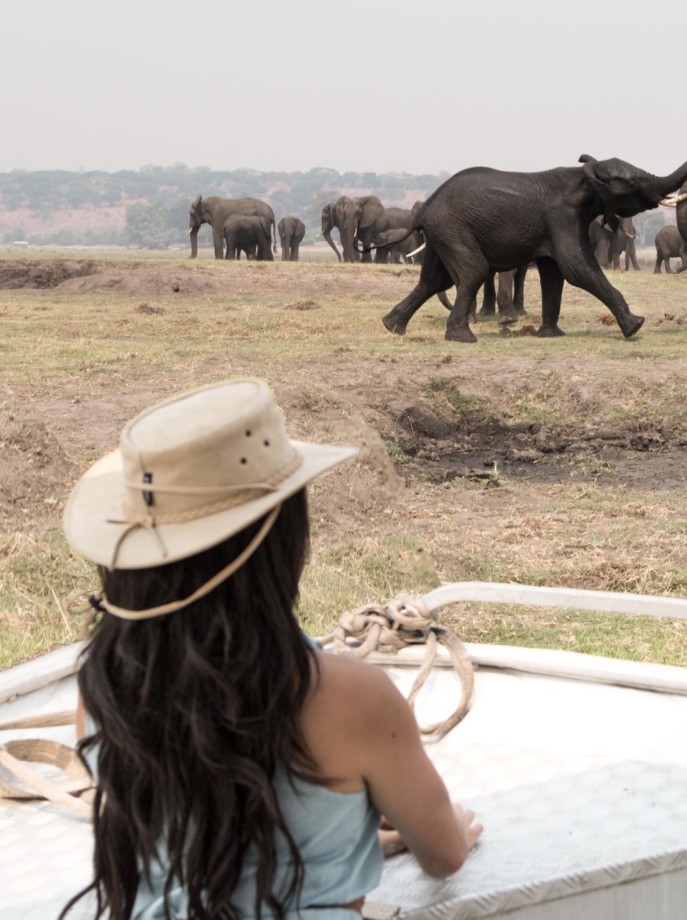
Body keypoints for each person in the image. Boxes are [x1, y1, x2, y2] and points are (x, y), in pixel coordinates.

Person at [60, 378, 482, 920]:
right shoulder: (350, 697)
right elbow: (443, 855)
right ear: (282, 540)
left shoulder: (102, 688)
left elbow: (190, 838)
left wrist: (345, 828)